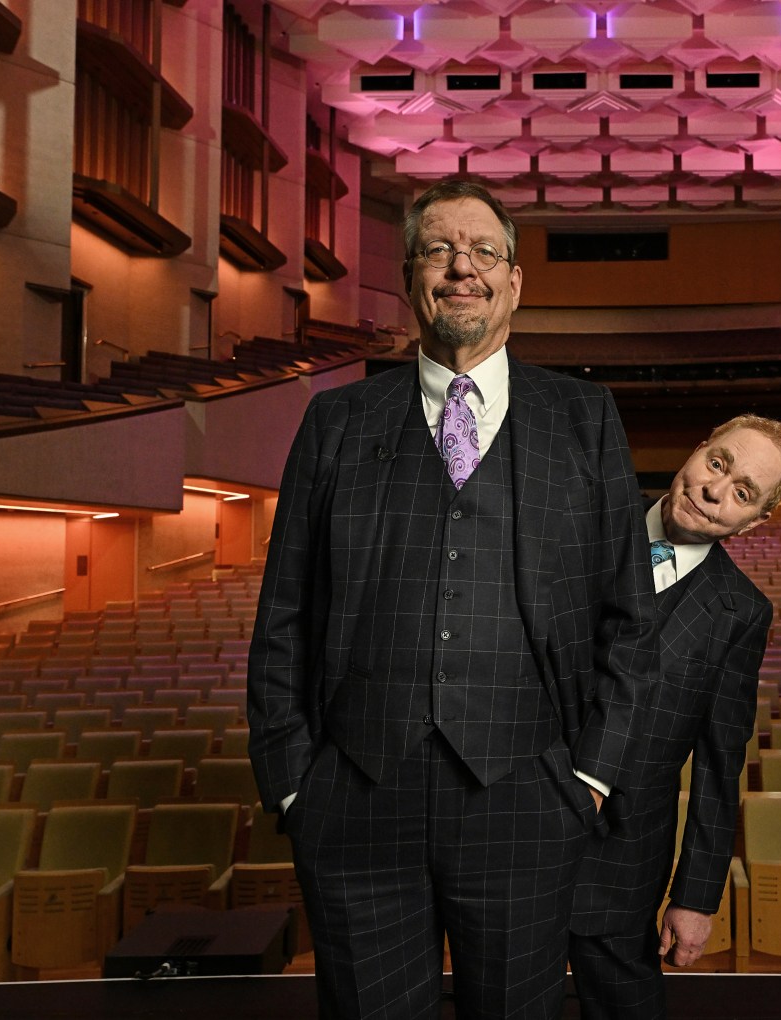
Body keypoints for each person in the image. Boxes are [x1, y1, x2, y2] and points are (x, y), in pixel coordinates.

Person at [247, 179, 658, 1020]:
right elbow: (283, 612)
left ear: (514, 281)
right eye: (438, 249)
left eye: (482, 252)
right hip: (355, 801)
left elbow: (628, 616)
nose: (460, 266)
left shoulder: (584, 418)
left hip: (526, 797)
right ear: (409, 279)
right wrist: (296, 785)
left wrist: (590, 776)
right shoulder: (336, 422)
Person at [568, 414, 781, 1020]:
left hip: (623, 860)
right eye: (718, 464)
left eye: (744, 493)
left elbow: (720, 768)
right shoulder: (579, 522)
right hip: (508, 832)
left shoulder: (740, 614)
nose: (714, 491)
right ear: (699, 450)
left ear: (757, 520)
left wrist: (696, 897)